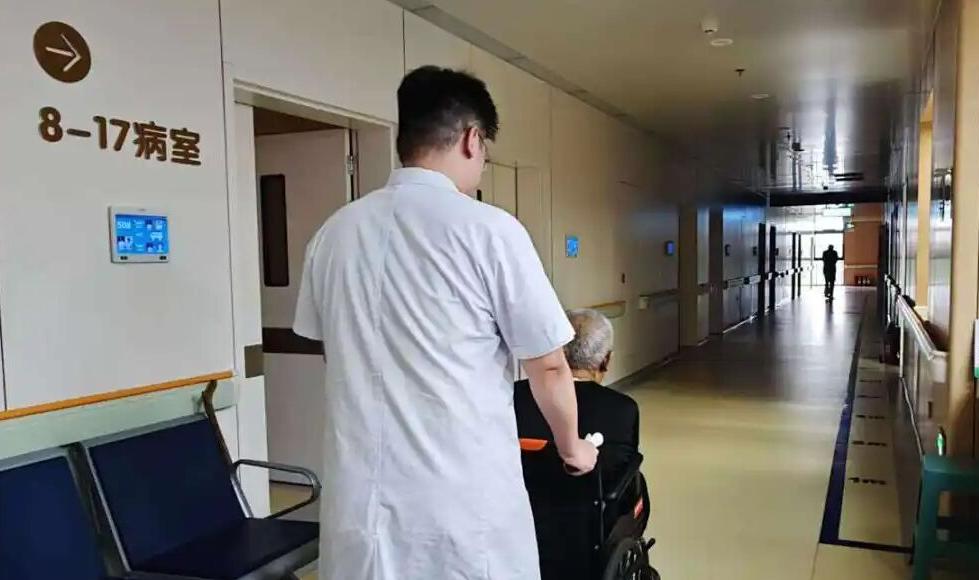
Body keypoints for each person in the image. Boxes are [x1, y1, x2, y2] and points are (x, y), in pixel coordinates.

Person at [292, 66, 597, 580]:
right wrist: (574, 449)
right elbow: (548, 366)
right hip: (459, 501)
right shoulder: (490, 230)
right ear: (473, 139)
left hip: (360, 499)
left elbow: (334, 348)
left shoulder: (334, 233)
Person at [514, 309, 640, 478]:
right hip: (595, 494)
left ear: (559, 351)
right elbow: (624, 469)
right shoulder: (623, 408)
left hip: (521, 492)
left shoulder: (514, 395)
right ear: (606, 360)